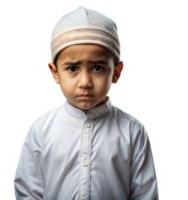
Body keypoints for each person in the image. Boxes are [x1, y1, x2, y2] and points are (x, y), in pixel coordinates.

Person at [12, 5, 160, 200]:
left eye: (97, 67)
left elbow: (145, 194)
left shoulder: (133, 130)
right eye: (72, 68)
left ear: (116, 72)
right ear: (54, 72)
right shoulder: (40, 129)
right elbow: (27, 191)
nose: (85, 82)